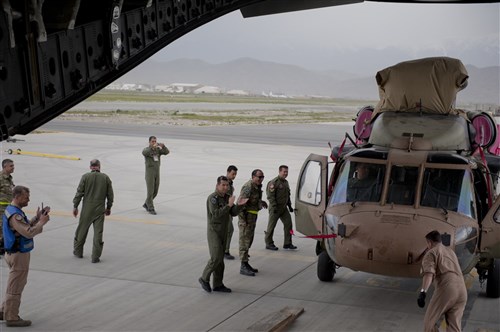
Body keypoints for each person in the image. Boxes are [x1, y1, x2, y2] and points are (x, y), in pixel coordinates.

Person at [1, 185, 50, 327]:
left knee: (13, 284)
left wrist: (36, 218)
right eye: (25, 197)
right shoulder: (15, 215)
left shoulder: (14, 211)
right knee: (16, 287)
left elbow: (24, 225)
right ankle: (11, 317)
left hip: (14, 253)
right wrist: (42, 222)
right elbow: (28, 232)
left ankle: (4, 310)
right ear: (17, 197)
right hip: (18, 255)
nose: (28, 199)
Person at [199, 176, 248, 293]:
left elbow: (233, 213)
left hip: (223, 231)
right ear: (217, 185)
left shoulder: (227, 198)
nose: (226, 187)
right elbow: (216, 214)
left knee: (220, 261)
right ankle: (204, 278)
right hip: (214, 231)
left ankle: (218, 284)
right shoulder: (213, 198)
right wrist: (229, 205)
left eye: (227, 185)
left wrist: (239, 205)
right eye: (223, 185)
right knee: (216, 257)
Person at [417, 230, 467, 332]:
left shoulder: (432, 252)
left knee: (429, 323)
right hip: (462, 290)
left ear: (429, 243)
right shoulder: (450, 252)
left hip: (447, 288)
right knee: (454, 327)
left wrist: (423, 292)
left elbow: (429, 274)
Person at [72, 159, 114, 263]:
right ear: (99, 166)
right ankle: (95, 256)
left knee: (81, 231)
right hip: (100, 209)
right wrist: (108, 207)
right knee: (98, 233)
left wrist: (75, 206)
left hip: (87, 208)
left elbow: (79, 193)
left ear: (90, 167)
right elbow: (110, 195)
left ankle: (78, 251)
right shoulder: (105, 178)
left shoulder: (85, 177)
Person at [238, 169, 268, 276]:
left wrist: (261, 202)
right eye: (259, 177)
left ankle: (246, 263)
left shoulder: (257, 187)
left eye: (262, 177)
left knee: (249, 241)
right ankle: (243, 265)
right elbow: (240, 204)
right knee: (244, 242)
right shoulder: (248, 187)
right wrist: (244, 221)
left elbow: (253, 200)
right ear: (253, 176)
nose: (261, 179)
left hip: (252, 218)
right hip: (246, 219)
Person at [265, 165, 297, 251]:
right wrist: (274, 207)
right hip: (275, 208)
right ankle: (269, 243)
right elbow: (270, 196)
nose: (286, 173)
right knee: (271, 226)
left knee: (288, 224)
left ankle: (287, 243)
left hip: (283, 208)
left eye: (287, 172)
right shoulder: (273, 183)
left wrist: (289, 206)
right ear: (280, 172)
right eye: (284, 172)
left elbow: (288, 195)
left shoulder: (286, 182)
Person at [142, 136, 170, 215]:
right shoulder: (147, 150)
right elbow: (144, 152)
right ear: (149, 142)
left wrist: (163, 146)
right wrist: (152, 148)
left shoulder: (158, 150)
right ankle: (151, 208)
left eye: (155, 141)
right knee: (150, 191)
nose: (154, 143)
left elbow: (167, 152)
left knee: (155, 191)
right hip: (150, 173)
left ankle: (146, 203)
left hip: (157, 172)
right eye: (152, 141)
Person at [0, 159, 15, 255]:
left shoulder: (9, 178)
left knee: (5, 228)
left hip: (8, 208)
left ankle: (3, 246)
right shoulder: (0, 178)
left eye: (13, 166)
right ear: (5, 167)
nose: (13, 167)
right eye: (11, 166)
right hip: (1, 209)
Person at [224, 165, 238, 260]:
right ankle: (225, 251)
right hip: (225, 210)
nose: (234, 176)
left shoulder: (230, 184)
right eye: (233, 174)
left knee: (228, 230)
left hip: (228, 210)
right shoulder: (224, 184)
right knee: (229, 230)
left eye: (235, 174)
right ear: (228, 172)